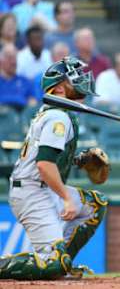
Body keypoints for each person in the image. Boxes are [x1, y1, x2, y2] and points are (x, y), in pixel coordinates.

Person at [0, 57, 108, 280]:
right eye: (73, 77)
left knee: (93, 205)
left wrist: (78, 161)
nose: (81, 79)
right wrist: (67, 198)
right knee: (52, 264)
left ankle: (61, 265)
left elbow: (50, 159)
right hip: (32, 192)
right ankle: (55, 263)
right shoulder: (58, 117)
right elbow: (44, 164)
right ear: (59, 89)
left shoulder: (59, 113)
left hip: (42, 187)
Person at [0, 43, 36, 110]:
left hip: (21, 116)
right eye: (9, 58)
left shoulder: (25, 81)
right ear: (1, 61)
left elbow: (33, 103)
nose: (13, 62)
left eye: (15, 58)